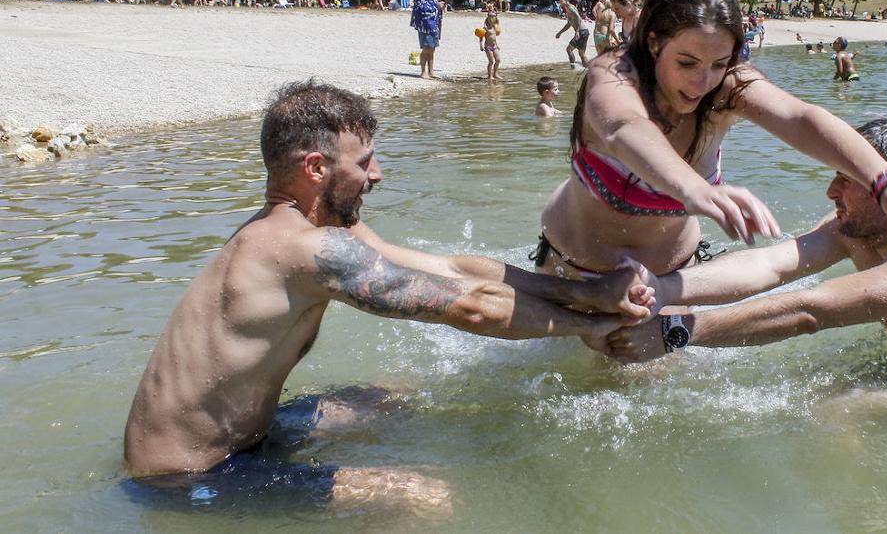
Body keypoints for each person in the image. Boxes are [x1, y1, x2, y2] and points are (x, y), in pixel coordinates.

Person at [123, 81, 653, 514]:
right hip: (188, 476)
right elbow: (469, 306)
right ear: (315, 169)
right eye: (365, 162)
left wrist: (587, 291)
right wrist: (591, 325)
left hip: (245, 437)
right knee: (423, 500)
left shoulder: (311, 230)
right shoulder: (306, 252)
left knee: (392, 395)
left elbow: (450, 268)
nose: (376, 175)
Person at [532, 0, 887, 283]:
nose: (702, 82)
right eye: (687, 62)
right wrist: (696, 189)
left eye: (719, 62)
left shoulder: (728, 89)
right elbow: (625, 129)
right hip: (570, 271)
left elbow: (801, 118)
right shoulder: (612, 75)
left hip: (672, 280)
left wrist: (886, 182)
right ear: (653, 41)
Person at [605, 119, 887, 377]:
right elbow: (770, 267)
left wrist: (675, 333)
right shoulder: (854, 227)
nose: (830, 192)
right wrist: (663, 287)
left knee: (838, 414)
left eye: (846, 179)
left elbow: (812, 311)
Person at [410, 0, 443, 78]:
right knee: (426, 48)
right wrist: (437, 6)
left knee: (432, 48)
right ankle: (423, 72)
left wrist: (439, 6)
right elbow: (423, 9)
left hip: (434, 25)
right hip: (424, 26)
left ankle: (431, 71)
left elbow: (435, 7)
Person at [555, 0, 591, 68]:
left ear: (566, 0)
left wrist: (577, 32)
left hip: (582, 32)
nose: (559, 1)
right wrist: (560, 33)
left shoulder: (570, 7)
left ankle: (573, 68)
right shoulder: (567, 9)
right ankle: (588, 69)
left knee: (569, 49)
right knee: (581, 53)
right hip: (584, 32)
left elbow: (578, 18)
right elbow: (569, 24)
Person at [480, 3, 502, 82]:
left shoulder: (495, 27)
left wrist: (497, 45)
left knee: (498, 60)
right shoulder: (485, 28)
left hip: (494, 46)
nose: (492, 19)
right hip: (488, 47)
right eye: (490, 17)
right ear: (488, 19)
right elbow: (481, 38)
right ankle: (490, 76)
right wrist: (481, 45)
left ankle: (495, 74)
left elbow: (494, 38)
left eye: (493, 18)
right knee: (491, 61)